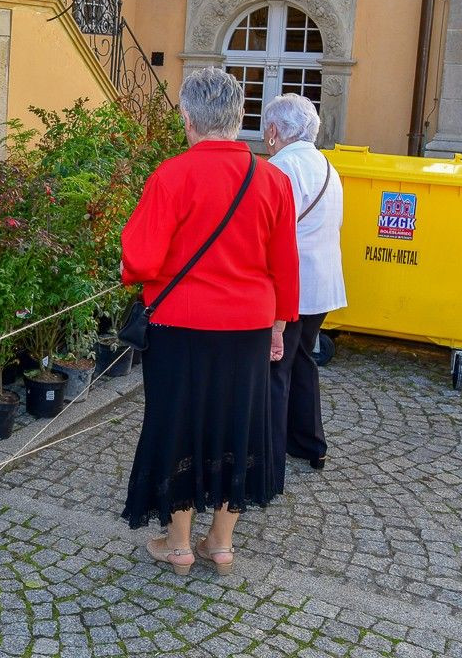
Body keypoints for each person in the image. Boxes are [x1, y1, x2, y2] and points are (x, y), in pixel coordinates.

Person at [120, 68, 299, 576]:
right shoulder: (273, 180)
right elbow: (285, 263)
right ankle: (220, 543)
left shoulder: (172, 175)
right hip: (247, 326)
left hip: (179, 327)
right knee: (236, 426)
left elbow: (141, 259)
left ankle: (177, 545)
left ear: (187, 118)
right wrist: (279, 327)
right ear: (239, 118)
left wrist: (127, 268)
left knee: (177, 424)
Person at [264, 93, 346, 489]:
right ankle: (310, 443)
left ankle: (270, 453)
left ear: (276, 131)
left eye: (268, 128)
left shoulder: (281, 167)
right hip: (323, 282)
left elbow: (270, 232)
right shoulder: (327, 164)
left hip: (292, 286)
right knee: (301, 360)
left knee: (276, 368)